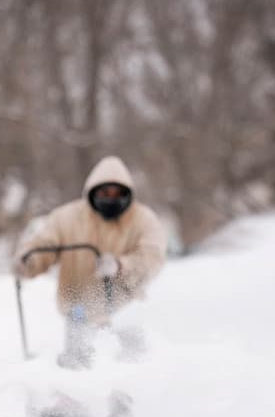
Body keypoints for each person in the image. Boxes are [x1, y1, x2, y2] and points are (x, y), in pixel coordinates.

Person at [12, 156, 167, 368]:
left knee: (128, 373)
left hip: (125, 314)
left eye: (117, 194)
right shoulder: (66, 218)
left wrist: (121, 265)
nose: (111, 199)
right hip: (79, 314)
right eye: (105, 193)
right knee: (79, 372)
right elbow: (43, 245)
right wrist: (28, 262)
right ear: (93, 192)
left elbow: (153, 256)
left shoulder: (143, 219)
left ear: (127, 194)